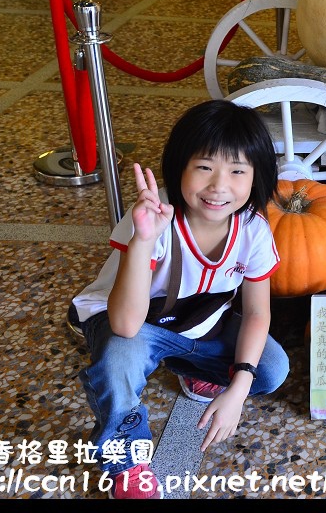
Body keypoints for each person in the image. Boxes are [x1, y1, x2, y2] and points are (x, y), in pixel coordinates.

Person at [71, 99, 289, 500]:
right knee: (119, 359)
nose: (219, 186)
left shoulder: (254, 228)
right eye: (204, 167)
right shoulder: (153, 218)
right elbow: (125, 325)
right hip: (131, 321)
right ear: (180, 166)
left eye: (237, 171)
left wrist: (237, 390)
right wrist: (143, 240)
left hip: (198, 327)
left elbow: (258, 313)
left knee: (271, 369)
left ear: (257, 176)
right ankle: (126, 463)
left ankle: (190, 368)